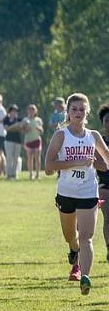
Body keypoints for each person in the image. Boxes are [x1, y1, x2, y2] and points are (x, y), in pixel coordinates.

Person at [44, 93, 109, 292]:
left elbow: (106, 164)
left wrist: (94, 162)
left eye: (82, 109)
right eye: (74, 109)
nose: (78, 113)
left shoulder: (94, 136)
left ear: (87, 112)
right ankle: (73, 250)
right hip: (66, 193)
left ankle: (85, 277)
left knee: (87, 237)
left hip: (88, 192)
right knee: (70, 236)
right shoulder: (61, 135)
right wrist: (76, 162)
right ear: (68, 112)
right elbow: (48, 167)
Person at [96, 104, 109, 265]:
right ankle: (108, 248)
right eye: (106, 120)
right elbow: (97, 163)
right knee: (108, 219)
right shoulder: (99, 141)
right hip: (105, 184)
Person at [21, 104, 44, 180]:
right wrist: (27, 128)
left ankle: (37, 174)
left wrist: (38, 128)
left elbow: (41, 131)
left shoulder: (38, 120)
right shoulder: (25, 120)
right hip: (28, 141)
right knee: (30, 158)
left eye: (33, 109)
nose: (31, 111)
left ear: (35, 111)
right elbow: (23, 131)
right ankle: (31, 174)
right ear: (27, 111)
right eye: (30, 109)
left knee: (37, 158)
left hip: (37, 140)